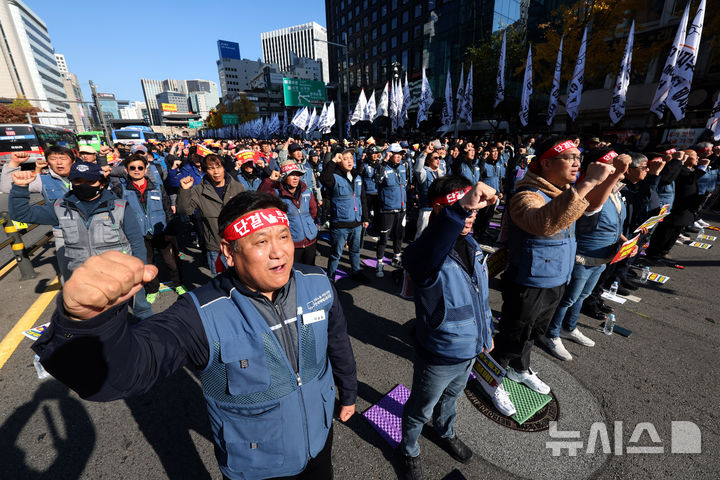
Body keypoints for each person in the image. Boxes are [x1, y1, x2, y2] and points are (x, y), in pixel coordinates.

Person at [32, 191, 358, 480]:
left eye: (284, 236)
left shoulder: (317, 281)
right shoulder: (199, 312)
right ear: (229, 252)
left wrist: (349, 392)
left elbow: (338, 342)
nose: (280, 253)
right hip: (258, 466)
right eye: (261, 242)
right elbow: (120, 375)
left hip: (320, 440)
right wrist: (86, 323)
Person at [490, 137, 613, 415]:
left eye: (578, 158)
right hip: (529, 282)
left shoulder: (564, 192)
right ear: (546, 162)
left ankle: (520, 369)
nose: (577, 162)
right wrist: (588, 181)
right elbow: (543, 223)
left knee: (534, 332)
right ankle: (492, 379)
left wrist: (612, 175)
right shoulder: (526, 195)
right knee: (513, 336)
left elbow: (589, 210)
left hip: (556, 279)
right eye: (569, 157)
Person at [399, 176, 497, 480]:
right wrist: (458, 210)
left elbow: (481, 299)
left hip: (472, 348)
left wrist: (487, 333)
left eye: (473, 211)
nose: (469, 217)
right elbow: (419, 256)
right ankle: (409, 449)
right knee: (420, 408)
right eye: (462, 210)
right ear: (443, 210)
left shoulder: (471, 243)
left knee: (451, 399)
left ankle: (445, 431)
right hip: (439, 353)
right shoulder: (424, 252)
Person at [9, 160, 152, 319]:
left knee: (140, 310)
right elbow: (22, 214)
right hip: (83, 278)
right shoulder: (59, 207)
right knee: (94, 320)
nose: (83, 185)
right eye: (78, 181)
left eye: (90, 181)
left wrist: (140, 270)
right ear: (71, 182)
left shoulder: (119, 206)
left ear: (101, 183)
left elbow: (136, 242)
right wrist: (20, 188)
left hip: (120, 273)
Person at [540, 149, 630, 361]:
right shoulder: (591, 191)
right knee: (568, 298)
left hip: (602, 255)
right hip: (584, 254)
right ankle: (551, 333)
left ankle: (569, 327)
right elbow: (592, 210)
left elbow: (612, 222)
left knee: (582, 296)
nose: (618, 171)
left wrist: (624, 240)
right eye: (611, 166)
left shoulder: (616, 192)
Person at [118, 154, 187, 301]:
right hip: (138, 234)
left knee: (171, 261)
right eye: (132, 168)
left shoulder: (157, 187)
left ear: (146, 168)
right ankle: (152, 289)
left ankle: (178, 283)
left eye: (140, 167)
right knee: (146, 264)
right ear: (126, 170)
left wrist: (170, 231)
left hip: (160, 231)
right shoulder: (121, 190)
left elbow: (167, 209)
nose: (136, 170)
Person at [0, 148, 74, 278]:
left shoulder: (87, 175)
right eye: (53, 159)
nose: (58, 163)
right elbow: (7, 187)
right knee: (71, 277)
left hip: (94, 233)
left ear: (72, 161)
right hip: (63, 235)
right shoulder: (42, 180)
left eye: (63, 158)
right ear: (48, 162)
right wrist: (14, 163)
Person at [176, 154, 245, 275]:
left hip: (238, 244)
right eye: (211, 168)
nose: (216, 171)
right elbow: (184, 210)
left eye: (218, 167)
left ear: (224, 167)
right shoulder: (198, 190)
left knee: (242, 279)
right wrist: (185, 190)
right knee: (219, 283)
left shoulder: (238, 187)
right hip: (215, 247)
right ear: (205, 171)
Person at [646, 149, 709, 260]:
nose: (698, 158)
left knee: (676, 231)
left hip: (685, 206)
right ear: (686, 157)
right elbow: (689, 179)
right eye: (695, 156)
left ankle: (664, 251)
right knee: (666, 231)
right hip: (676, 206)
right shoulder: (680, 169)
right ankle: (655, 253)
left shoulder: (688, 169)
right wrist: (701, 167)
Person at [319, 148, 369, 282]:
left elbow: (362, 198)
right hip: (341, 224)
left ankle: (356, 271)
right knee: (336, 254)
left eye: (351, 158)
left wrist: (365, 217)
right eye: (345, 158)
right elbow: (323, 178)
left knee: (355, 251)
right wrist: (333, 161)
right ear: (339, 160)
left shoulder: (357, 176)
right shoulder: (334, 177)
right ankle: (330, 279)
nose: (349, 161)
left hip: (357, 222)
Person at [259, 160, 319, 265]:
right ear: (284, 177)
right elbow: (261, 200)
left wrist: (309, 226)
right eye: (292, 175)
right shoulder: (277, 194)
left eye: (297, 175)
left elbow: (313, 211)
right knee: (294, 272)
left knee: (310, 270)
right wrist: (269, 181)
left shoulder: (306, 191)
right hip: (292, 243)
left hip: (310, 240)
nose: (295, 178)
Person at [375, 143, 409, 275]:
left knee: (399, 236)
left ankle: (396, 257)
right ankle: (379, 262)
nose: (399, 156)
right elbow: (377, 180)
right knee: (384, 237)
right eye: (396, 154)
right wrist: (384, 161)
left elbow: (405, 184)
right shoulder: (382, 167)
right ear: (390, 154)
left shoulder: (402, 167)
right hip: (388, 209)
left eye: (401, 154)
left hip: (401, 208)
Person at [413, 142, 446, 238]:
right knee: (421, 235)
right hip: (427, 210)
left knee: (436, 235)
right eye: (435, 158)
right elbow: (417, 169)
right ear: (428, 161)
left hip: (439, 209)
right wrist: (425, 153)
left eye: (439, 158)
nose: (438, 160)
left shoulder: (441, 173)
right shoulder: (424, 173)